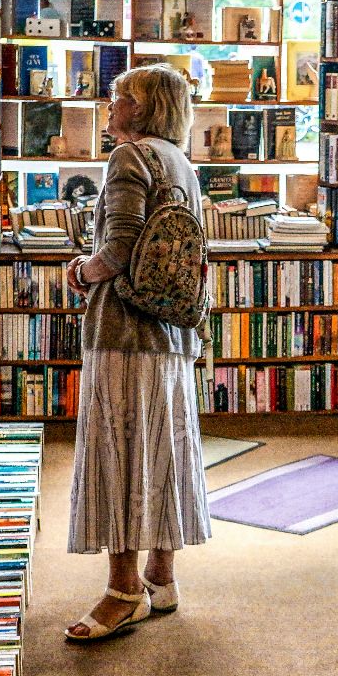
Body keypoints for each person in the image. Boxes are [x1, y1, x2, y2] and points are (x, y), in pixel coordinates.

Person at [62, 64, 211, 642]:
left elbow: (118, 250)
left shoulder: (128, 159)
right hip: (171, 330)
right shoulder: (180, 163)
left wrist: (80, 270)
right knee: (163, 450)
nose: (109, 101)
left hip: (124, 332)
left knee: (118, 454)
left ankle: (123, 592)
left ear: (144, 108)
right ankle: (162, 576)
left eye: (121, 95)